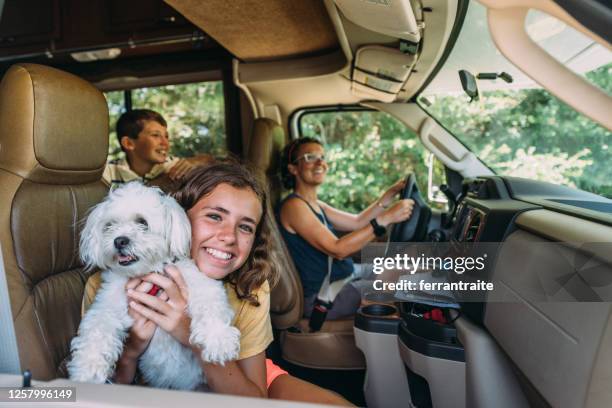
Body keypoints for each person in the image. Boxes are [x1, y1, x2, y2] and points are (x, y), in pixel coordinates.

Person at [83, 162, 352, 405]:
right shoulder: (110, 283)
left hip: (241, 374)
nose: (228, 237)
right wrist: (131, 350)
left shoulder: (251, 286)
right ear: (180, 217)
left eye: (245, 227)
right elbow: (107, 390)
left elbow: (253, 398)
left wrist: (191, 337)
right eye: (214, 216)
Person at [279, 137, 414, 320]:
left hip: (346, 275)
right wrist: (386, 218)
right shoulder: (293, 207)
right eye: (310, 157)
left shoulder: (314, 204)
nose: (320, 162)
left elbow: (358, 222)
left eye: (322, 157)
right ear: (293, 168)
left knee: (406, 268)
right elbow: (338, 249)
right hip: (326, 295)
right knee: (400, 284)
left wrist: (389, 195)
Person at [103, 109, 213, 189]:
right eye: (155, 135)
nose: (165, 143)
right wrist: (163, 181)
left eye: (166, 136)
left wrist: (197, 161)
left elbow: (212, 162)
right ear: (129, 143)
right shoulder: (109, 172)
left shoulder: (172, 166)